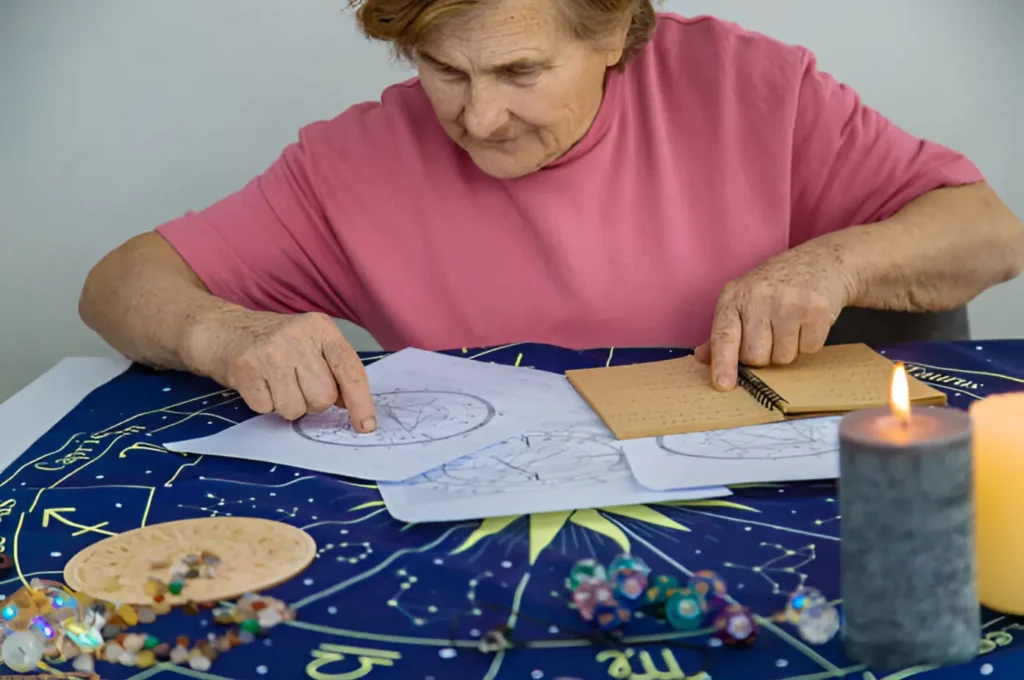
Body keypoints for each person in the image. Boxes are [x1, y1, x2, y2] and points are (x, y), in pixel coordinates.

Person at [79, 0, 1024, 433]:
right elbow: (119, 284)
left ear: (614, 32)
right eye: (446, 71)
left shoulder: (753, 88)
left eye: (520, 71)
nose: (477, 121)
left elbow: (991, 233)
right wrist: (222, 330)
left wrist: (834, 264)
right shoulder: (350, 161)